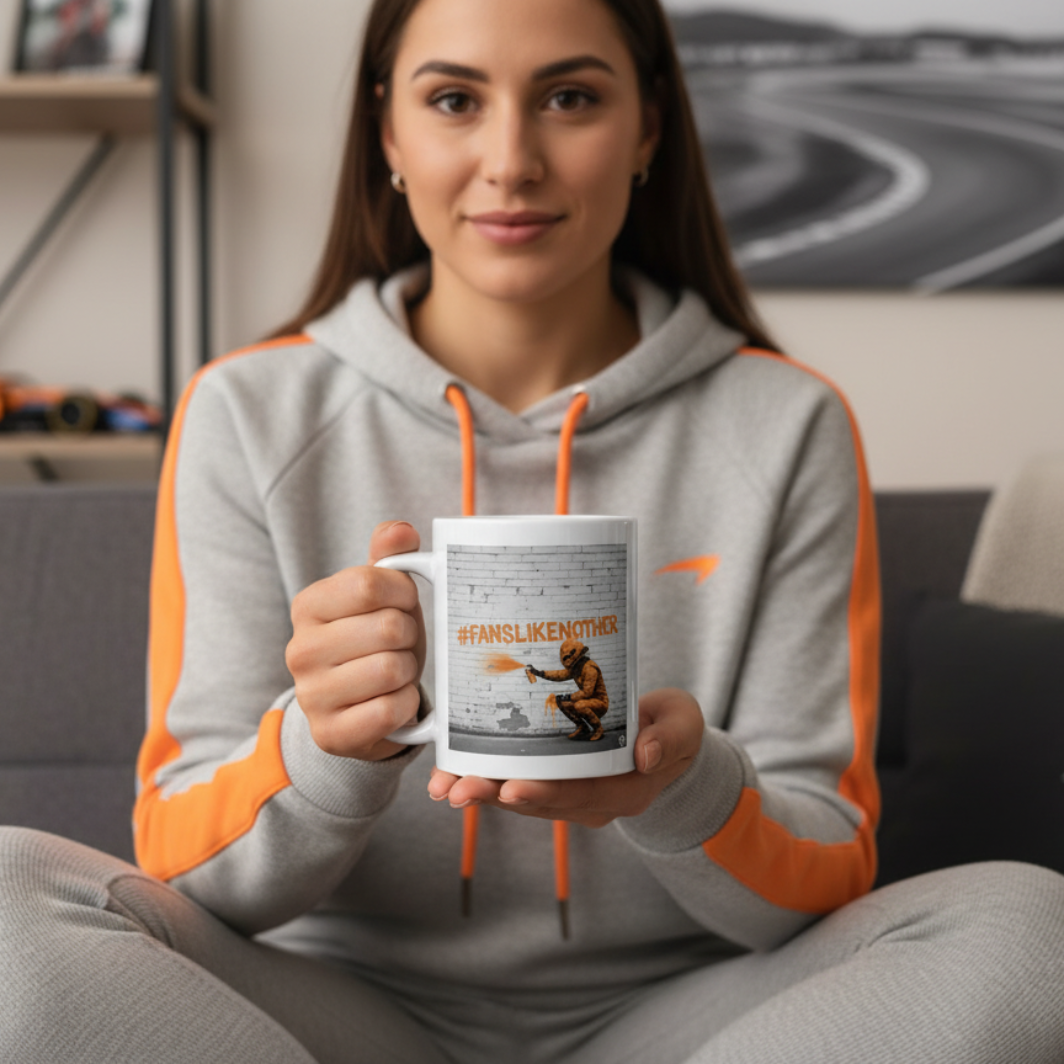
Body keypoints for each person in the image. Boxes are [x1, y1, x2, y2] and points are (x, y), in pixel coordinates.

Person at [1, 0, 1063, 1061]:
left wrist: (678, 782)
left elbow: (826, 860)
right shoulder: (247, 410)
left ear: (647, 127)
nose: (510, 162)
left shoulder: (786, 423)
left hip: (695, 1019)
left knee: (1026, 926)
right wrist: (319, 746)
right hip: (333, 1010)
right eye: (454, 99)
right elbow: (180, 861)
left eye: (568, 97)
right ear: (388, 135)